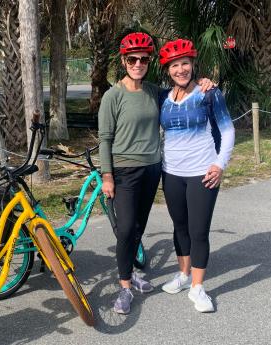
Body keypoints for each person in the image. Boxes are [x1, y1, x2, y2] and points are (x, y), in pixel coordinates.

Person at [98, 32, 214, 314]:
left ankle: (132, 275)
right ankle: (124, 286)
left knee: (138, 226)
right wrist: (107, 176)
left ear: (149, 62)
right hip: (124, 171)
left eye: (143, 59)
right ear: (124, 61)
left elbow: (181, 88)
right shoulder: (113, 96)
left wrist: (203, 82)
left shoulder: (154, 92)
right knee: (125, 229)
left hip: (152, 169)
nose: (138, 63)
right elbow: (105, 138)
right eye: (132, 59)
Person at [157, 39, 235, 313]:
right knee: (180, 228)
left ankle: (198, 288)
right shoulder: (163, 98)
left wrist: (219, 164)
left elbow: (227, 131)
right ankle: (183, 274)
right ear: (168, 69)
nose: (181, 69)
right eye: (175, 65)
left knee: (198, 230)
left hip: (202, 173)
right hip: (171, 173)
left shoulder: (209, 94)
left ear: (192, 65)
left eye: (185, 63)